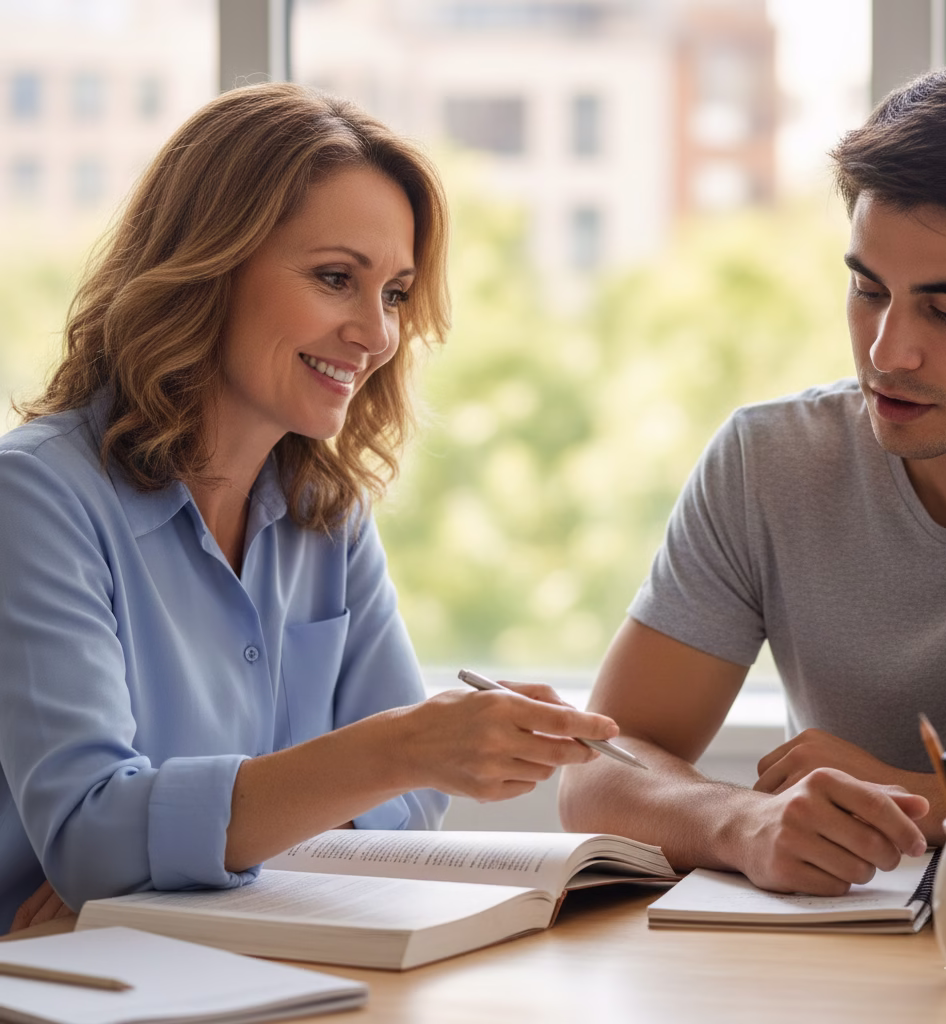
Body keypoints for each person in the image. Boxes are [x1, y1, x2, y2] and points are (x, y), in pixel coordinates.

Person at [0, 83, 619, 934]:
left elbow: (412, 811)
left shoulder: (327, 516)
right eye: (337, 279)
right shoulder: (34, 498)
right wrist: (396, 750)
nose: (378, 333)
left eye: (396, 294)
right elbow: (93, 840)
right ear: (208, 267)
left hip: (252, 967)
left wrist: (183, 859)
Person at [560, 61, 946, 896]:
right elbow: (594, 774)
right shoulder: (769, 465)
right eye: (867, 289)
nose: (888, 351)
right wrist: (741, 821)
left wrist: (921, 804)